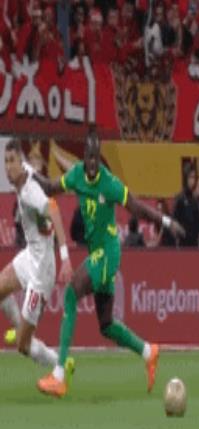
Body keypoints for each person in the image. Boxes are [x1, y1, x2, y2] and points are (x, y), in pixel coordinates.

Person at [34, 129, 185, 398]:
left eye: (96, 157)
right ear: (84, 156)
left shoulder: (110, 183)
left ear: (99, 156)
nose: (92, 162)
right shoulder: (76, 175)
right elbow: (50, 188)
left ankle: (59, 375)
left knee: (71, 293)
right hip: (98, 253)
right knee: (106, 324)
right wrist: (27, 173)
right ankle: (148, 352)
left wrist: (165, 221)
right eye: (89, 157)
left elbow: (136, 207)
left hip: (108, 252)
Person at [0, 140, 74, 373]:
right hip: (30, 255)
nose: (8, 167)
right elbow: (47, 184)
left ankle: (61, 364)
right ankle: (19, 326)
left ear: (20, 162)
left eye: (12, 161)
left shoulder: (30, 192)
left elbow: (54, 210)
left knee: (23, 346)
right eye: (5, 161)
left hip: (41, 273)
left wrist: (65, 257)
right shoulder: (25, 174)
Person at [173, 163, 199, 247]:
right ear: (185, 178)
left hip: (194, 244)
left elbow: (198, 222)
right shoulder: (180, 198)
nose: (193, 180)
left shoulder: (195, 199)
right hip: (183, 244)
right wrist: (181, 233)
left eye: (194, 177)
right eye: (190, 177)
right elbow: (174, 220)